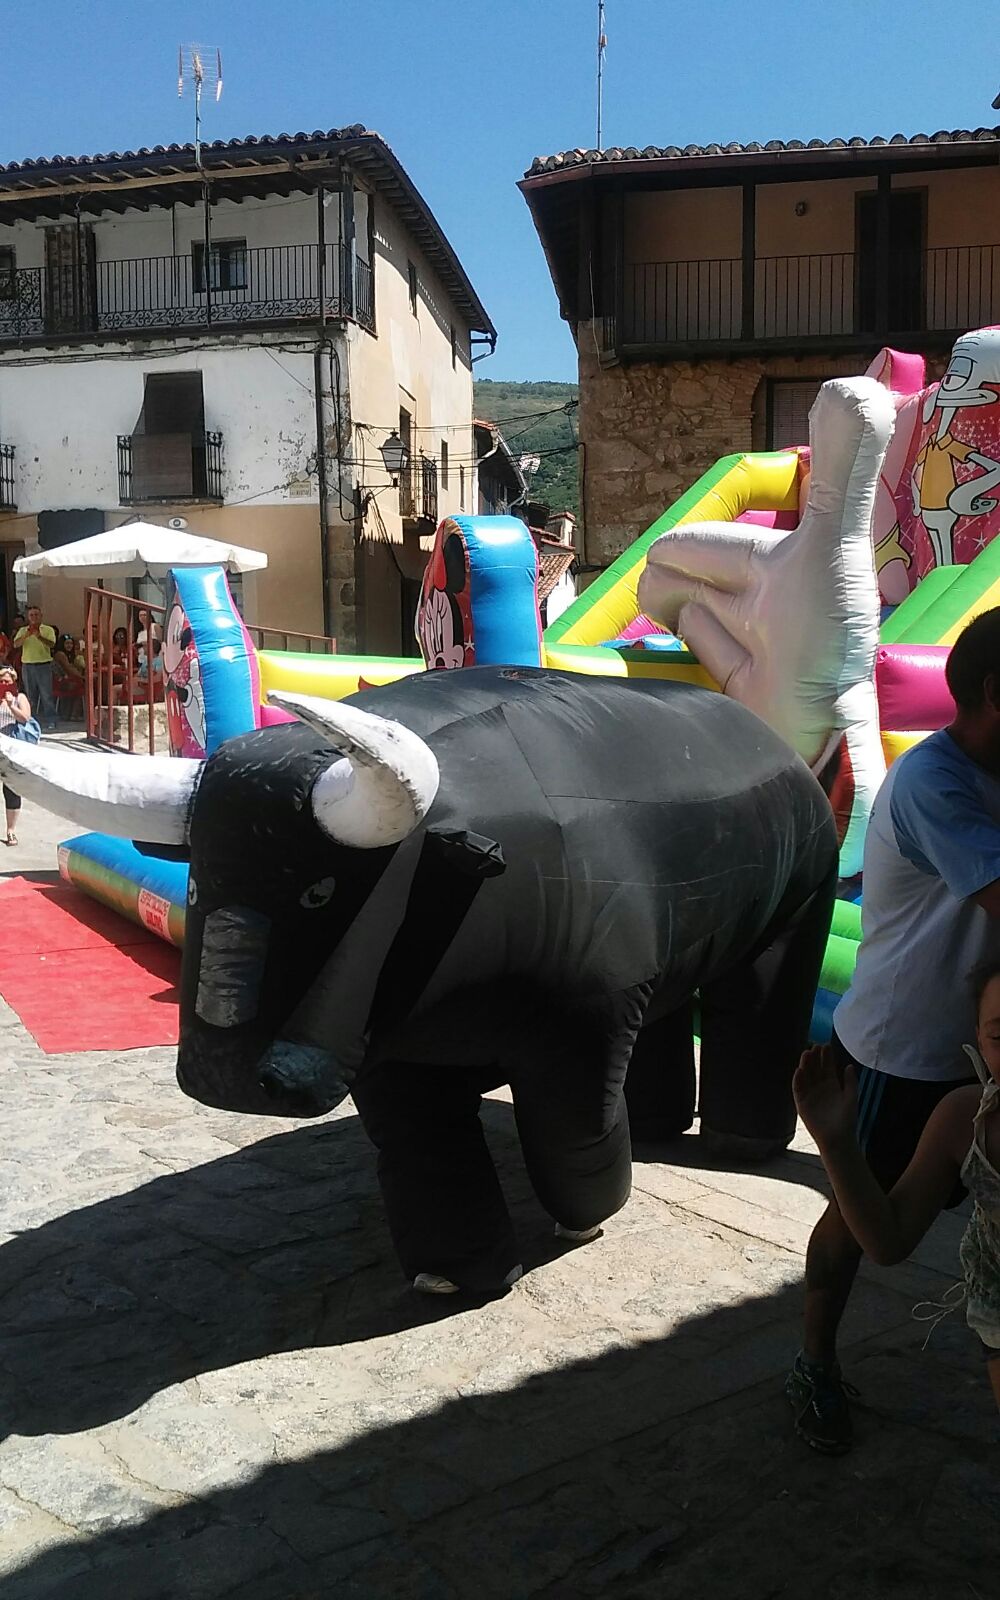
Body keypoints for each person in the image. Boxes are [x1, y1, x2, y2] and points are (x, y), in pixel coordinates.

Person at [786, 606, 1000, 1454]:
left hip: (980, 1046)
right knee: (863, 1224)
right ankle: (813, 1360)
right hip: (900, 1053)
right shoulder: (932, 784)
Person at [794, 960, 1000, 1415]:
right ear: (979, 1040)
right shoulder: (964, 1121)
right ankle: (814, 1363)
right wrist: (836, 1144)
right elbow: (888, 1242)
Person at [0, 665, 35, 845]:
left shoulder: (20, 698)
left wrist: (11, 705)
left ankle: (11, 830)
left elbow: (25, 718)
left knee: (11, 790)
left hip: (11, 750)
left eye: (7, 681)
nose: (4, 684)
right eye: (1, 681)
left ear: (14, 682)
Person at [13, 605, 57, 731]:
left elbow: (52, 644)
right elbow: (15, 644)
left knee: (46, 695)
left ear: (41, 616)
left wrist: (39, 636)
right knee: (30, 696)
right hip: (28, 666)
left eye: (36, 615)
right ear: (28, 617)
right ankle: (31, 720)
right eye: (31, 615)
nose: (34, 617)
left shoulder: (48, 629)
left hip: (44, 665)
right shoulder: (23, 630)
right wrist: (26, 635)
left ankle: (51, 720)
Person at [52, 633, 85, 720]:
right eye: (67, 643)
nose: (69, 645)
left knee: (81, 684)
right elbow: (69, 669)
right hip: (59, 682)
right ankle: (74, 714)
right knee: (83, 686)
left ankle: (73, 713)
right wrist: (83, 677)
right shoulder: (60, 654)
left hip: (67, 679)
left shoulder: (70, 654)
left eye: (71, 643)